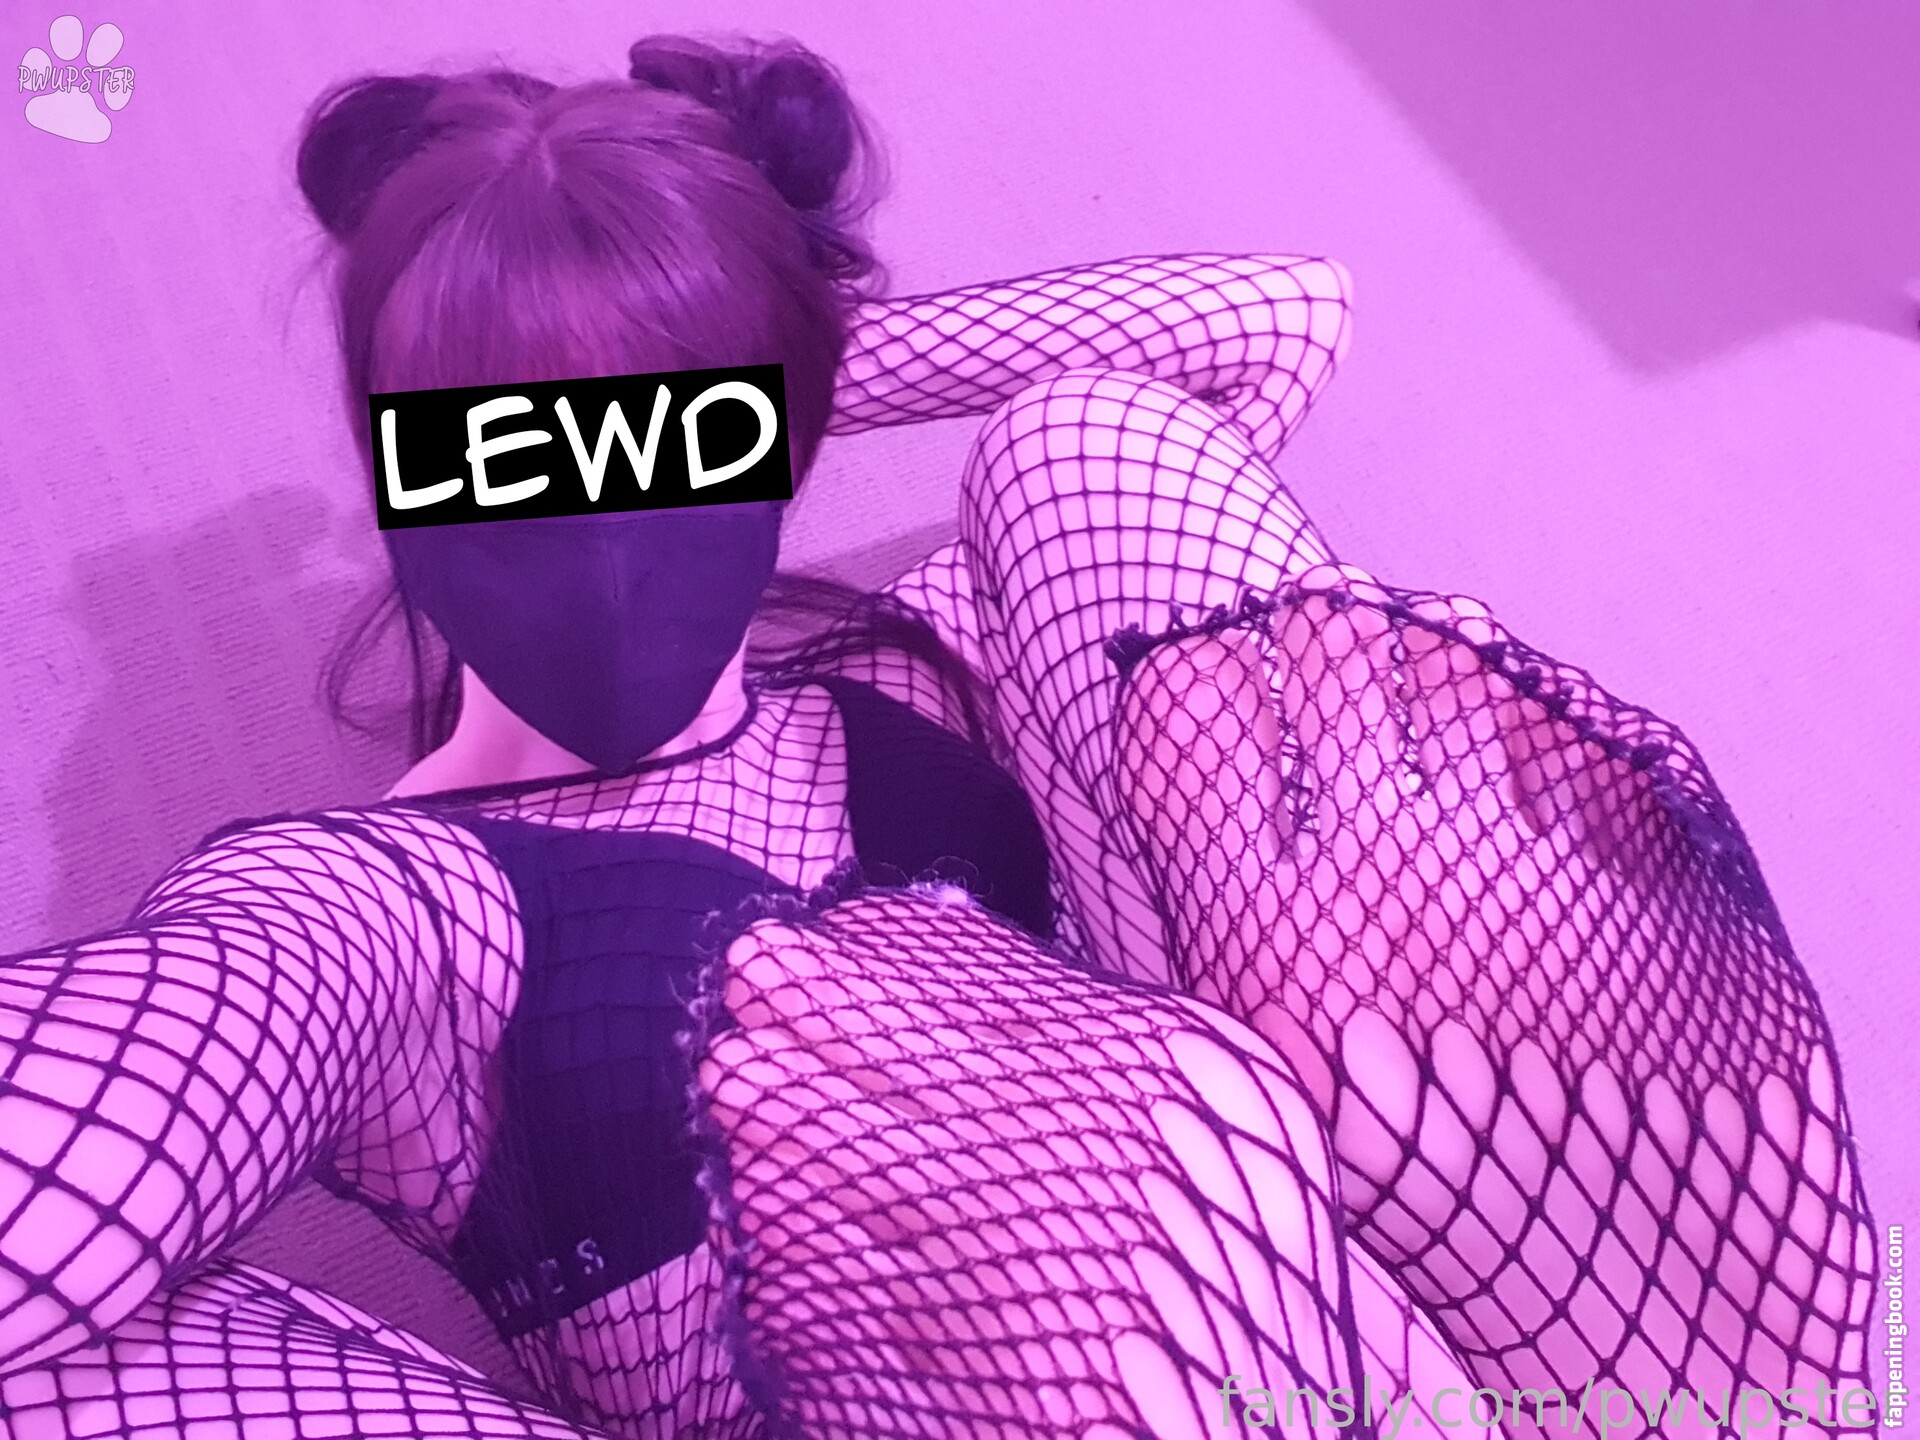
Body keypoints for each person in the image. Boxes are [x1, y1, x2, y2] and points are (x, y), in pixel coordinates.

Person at [0, 33, 1878, 1440]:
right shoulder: (379, 915)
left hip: (1382, 1307)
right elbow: (147, 1074)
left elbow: (1269, 326)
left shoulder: (918, 671)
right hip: (1113, 1324)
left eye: (679, 436)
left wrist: (787, 338)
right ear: (411, 480)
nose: (604, 524)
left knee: (1086, 451)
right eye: (514, 455)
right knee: (78, 1372)